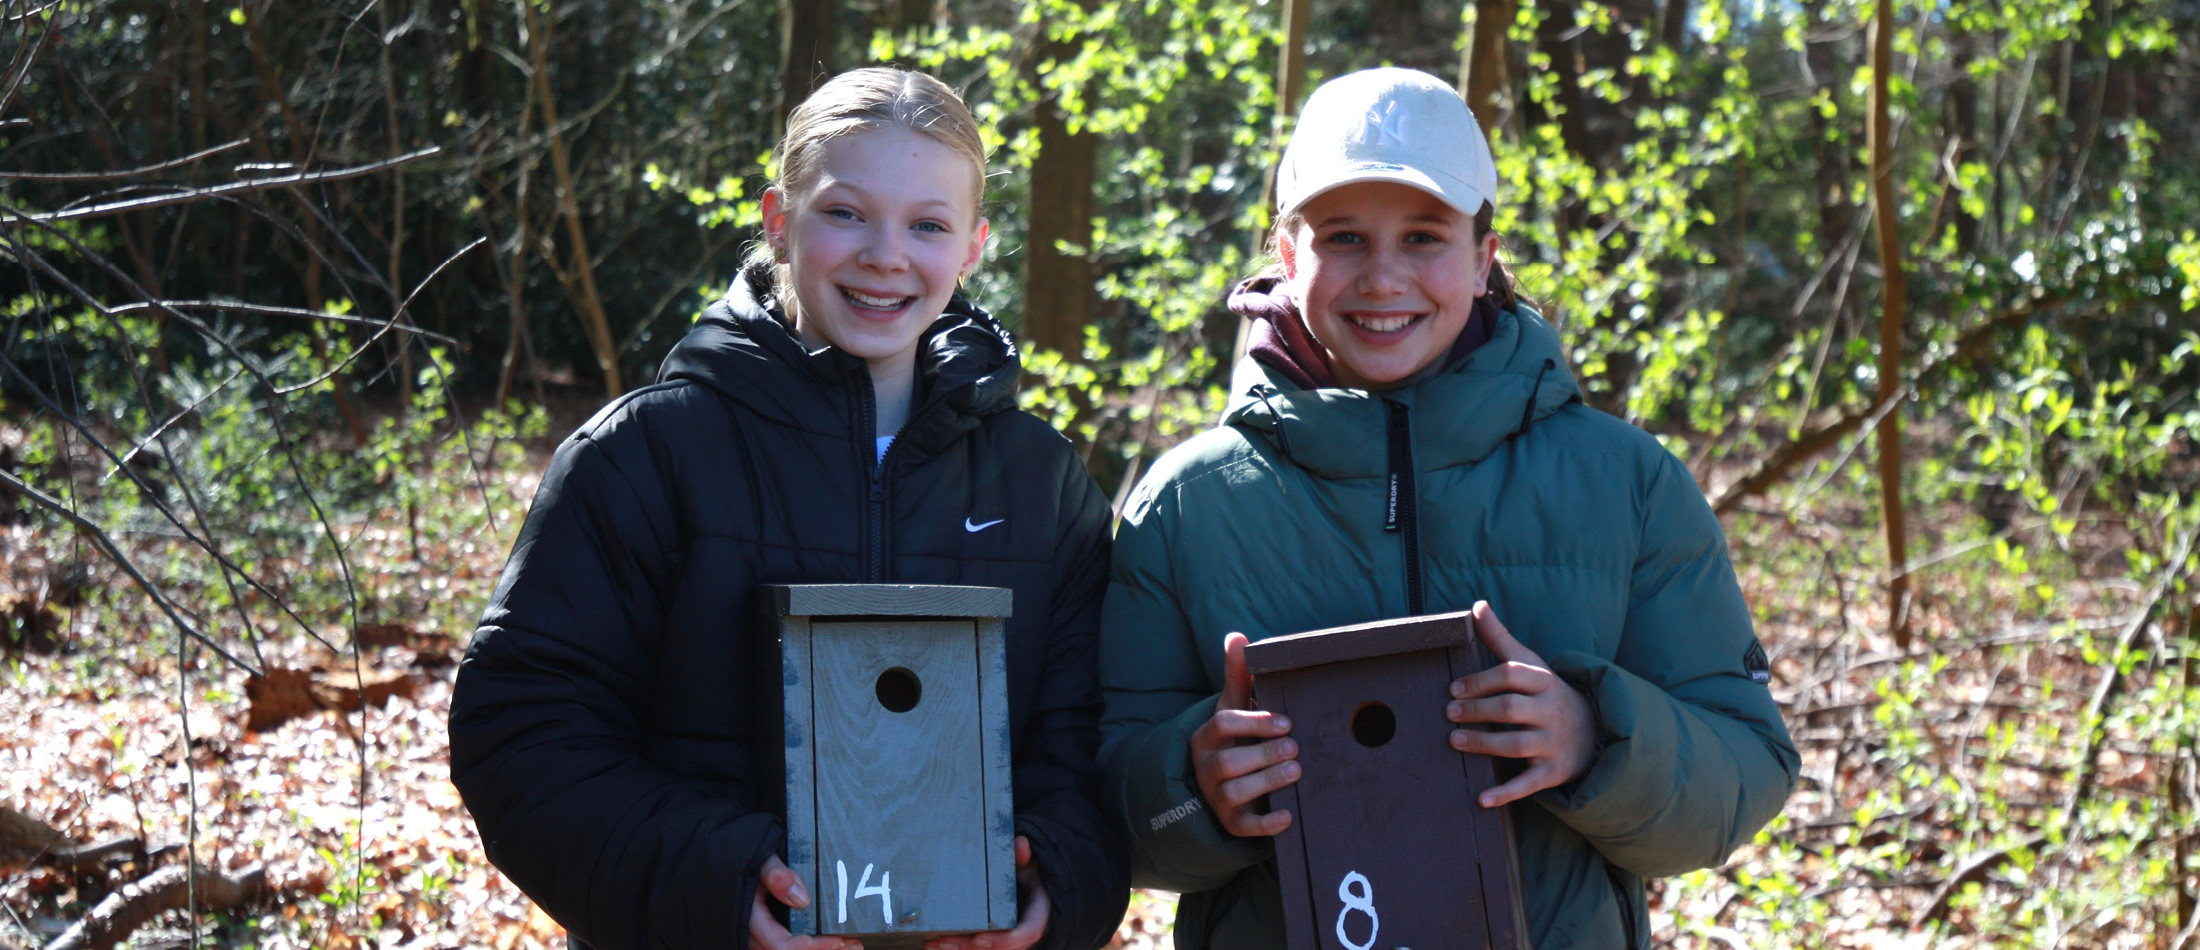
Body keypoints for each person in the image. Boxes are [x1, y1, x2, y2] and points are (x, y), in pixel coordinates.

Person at [1095, 67, 1799, 949]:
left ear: (1482, 255)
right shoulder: (1186, 507)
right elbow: (1106, 806)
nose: (1383, 279)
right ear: (1287, 255)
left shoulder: (1628, 484)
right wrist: (1193, 785)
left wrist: (1594, 739)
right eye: (1343, 237)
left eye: (1424, 237)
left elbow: (1748, 771)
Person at [451, 67, 1128, 950]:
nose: (886, 254)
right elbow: (523, 733)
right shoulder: (648, 455)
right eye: (845, 212)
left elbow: (1091, 751)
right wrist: (722, 886)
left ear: (971, 248)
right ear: (779, 219)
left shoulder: (1044, 486)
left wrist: (1059, 884)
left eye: (928, 225)